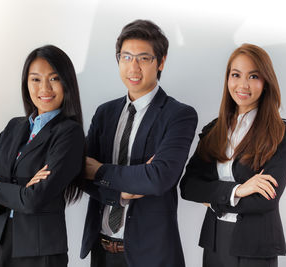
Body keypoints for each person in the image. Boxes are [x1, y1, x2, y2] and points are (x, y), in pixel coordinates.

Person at [80, 19, 198, 267]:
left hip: (151, 255)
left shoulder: (179, 115)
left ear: (161, 62)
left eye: (143, 58)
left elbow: (158, 178)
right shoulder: (105, 113)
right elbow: (80, 172)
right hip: (101, 250)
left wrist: (99, 170)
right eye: (126, 57)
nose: (133, 67)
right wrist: (121, 190)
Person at [180, 43, 286, 267]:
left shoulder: (280, 131)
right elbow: (188, 186)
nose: (243, 84)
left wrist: (213, 200)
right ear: (227, 79)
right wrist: (238, 190)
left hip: (255, 246)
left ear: (266, 81)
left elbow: (265, 199)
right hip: (215, 241)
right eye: (236, 75)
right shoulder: (214, 130)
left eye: (253, 76)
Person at [0, 45, 85, 267]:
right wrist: (21, 193)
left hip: (41, 252)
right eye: (35, 79)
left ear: (66, 83)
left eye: (54, 78)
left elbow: (34, 201)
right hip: (3, 243)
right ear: (26, 84)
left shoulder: (69, 133)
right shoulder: (14, 127)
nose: (45, 88)